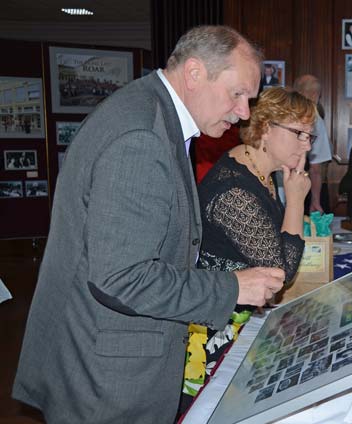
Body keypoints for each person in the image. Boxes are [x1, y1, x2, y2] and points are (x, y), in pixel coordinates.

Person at [12, 25, 286, 424]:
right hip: (106, 379)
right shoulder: (141, 136)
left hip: (102, 359)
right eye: (238, 93)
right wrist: (233, 286)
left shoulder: (148, 112)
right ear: (194, 73)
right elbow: (122, 278)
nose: (243, 111)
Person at [181, 86, 314, 409]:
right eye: (299, 134)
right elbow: (280, 274)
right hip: (212, 332)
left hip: (236, 316)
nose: (307, 144)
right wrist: (296, 199)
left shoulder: (262, 173)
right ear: (266, 128)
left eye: (309, 136)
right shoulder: (234, 191)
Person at [293, 74, 332, 213]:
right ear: (315, 94)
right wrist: (316, 200)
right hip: (303, 188)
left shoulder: (284, 114)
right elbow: (315, 169)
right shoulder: (314, 119)